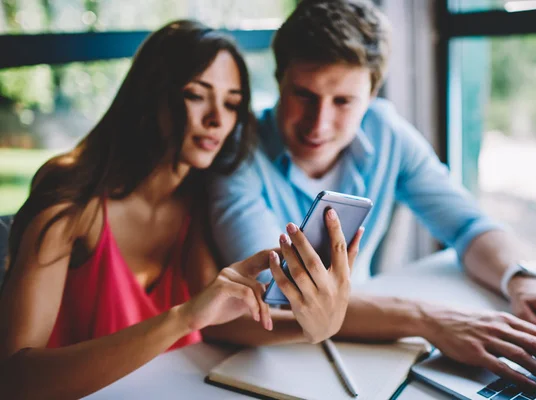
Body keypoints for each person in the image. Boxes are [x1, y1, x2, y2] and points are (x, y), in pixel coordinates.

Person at [208, 0, 536, 391]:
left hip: (367, 349)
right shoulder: (237, 153)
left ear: (372, 93)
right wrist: (427, 319)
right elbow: (281, 296)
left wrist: (520, 279)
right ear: (279, 80)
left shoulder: (385, 130)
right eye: (304, 95)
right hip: (271, 359)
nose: (319, 123)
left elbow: (467, 223)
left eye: (343, 101)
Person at [0, 20, 360, 399]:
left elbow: (221, 323)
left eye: (232, 103)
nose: (217, 120)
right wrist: (183, 317)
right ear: (152, 94)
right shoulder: (71, 195)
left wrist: (314, 327)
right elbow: (14, 378)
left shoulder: (198, 196)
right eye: (196, 95)